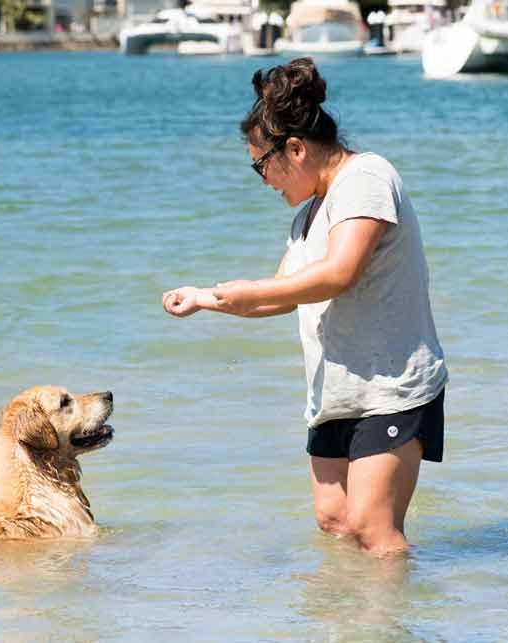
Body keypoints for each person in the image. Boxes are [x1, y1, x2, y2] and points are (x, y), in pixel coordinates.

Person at [162, 58, 447, 556]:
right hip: (336, 394)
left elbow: (340, 272)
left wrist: (247, 290)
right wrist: (207, 298)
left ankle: (397, 608)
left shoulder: (365, 177)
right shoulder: (307, 217)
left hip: (391, 388)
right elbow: (283, 293)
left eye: (261, 165)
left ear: (295, 149)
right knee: (335, 521)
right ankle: (352, 607)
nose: (262, 180)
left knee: (374, 530)